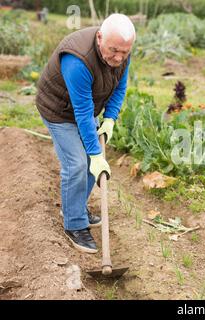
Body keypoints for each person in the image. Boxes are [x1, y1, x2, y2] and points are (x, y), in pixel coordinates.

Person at [35, 14, 135, 253]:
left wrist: (110, 118)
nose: (119, 57)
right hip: (59, 110)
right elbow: (82, 112)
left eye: (124, 52)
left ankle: (75, 206)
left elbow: (120, 86)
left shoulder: (122, 52)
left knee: (93, 162)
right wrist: (96, 153)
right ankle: (74, 224)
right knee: (78, 164)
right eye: (114, 50)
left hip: (86, 107)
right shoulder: (77, 59)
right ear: (100, 37)